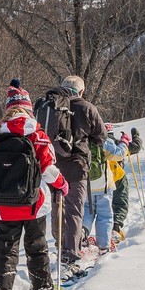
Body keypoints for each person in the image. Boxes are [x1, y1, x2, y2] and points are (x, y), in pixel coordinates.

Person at [0, 80, 67, 290]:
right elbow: (48, 167)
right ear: (28, 107)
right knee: (36, 248)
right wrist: (62, 184)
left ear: (8, 108)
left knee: (5, 253)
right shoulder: (35, 132)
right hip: (33, 204)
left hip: (6, 205)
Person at [47, 74, 106, 278]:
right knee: (73, 209)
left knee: (57, 206)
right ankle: (70, 255)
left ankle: (60, 244)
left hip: (52, 166)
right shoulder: (86, 107)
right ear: (80, 91)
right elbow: (100, 137)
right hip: (76, 166)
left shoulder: (50, 105)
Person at [86, 123, 128, 253]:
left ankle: (82, 235)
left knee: (87, 212)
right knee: (105, 215)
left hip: (86, 184)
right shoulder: (104, 140)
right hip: (103, 184)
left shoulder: (81, 138)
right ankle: (103, 245)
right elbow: (119, 154)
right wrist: (124, 142)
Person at [107, 125, 132, 244]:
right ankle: (115, 229)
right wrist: (134, 137)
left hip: (99, 180)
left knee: (99, 208)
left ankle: (85, 232)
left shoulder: (92, 141)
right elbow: (135, 147)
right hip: (118, 177)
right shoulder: (117, 142)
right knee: (120, 202)